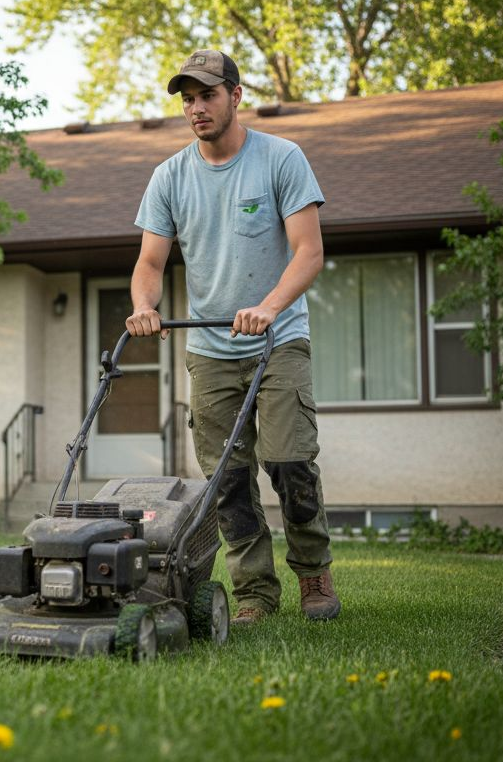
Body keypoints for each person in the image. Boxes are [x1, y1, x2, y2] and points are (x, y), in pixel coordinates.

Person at [125, 49, 339, 623]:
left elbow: (309, 252)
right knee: (229, 480)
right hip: (210, 350)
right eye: (188, 99)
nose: (196, 108)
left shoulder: (281, 159)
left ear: (236, 96)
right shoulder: (169, 176)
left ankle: (313, 574)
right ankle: (255, 593)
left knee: (290, 462)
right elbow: (150, 262)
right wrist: (144, 306)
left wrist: (268, 307)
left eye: (208, 95)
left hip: (278, 339)